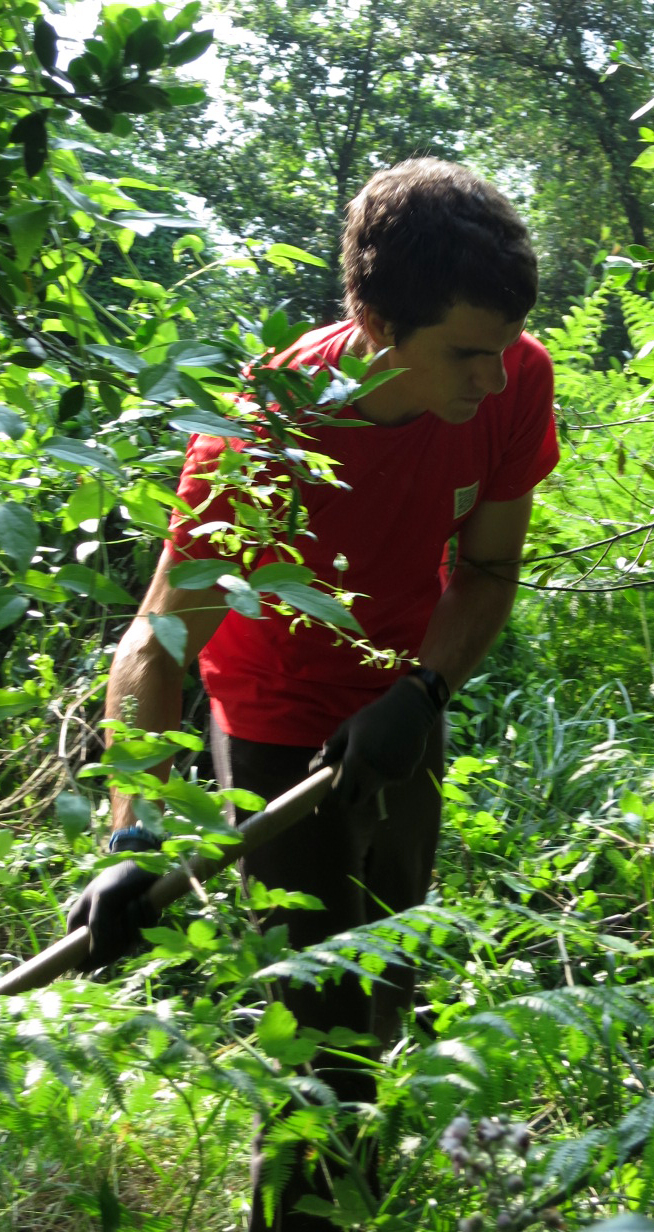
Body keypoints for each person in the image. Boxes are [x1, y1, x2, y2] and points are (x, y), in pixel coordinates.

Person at [67, 157, 559, 1229]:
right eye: (465, 353)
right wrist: (133, 832)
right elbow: (156, 643)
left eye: (506, 344)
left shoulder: (514, 373)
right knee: (320, 1010)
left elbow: (486, 569)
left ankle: (359, 1188)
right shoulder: (265, 434)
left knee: (387, 965)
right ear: (377, 324)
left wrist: (422, 691)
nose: (493, 378)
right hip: (277, 710)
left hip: (400, 698)